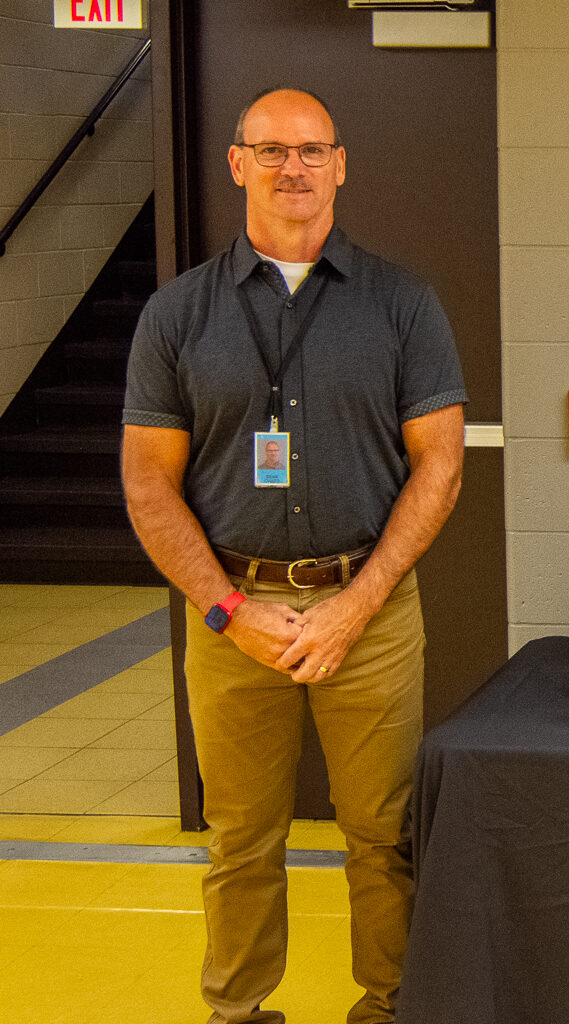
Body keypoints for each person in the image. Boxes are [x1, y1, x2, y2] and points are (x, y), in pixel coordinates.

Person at [121, 87, 465, 1024]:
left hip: (372, 611)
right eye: (270, 151)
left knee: (383, 835)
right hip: (233, 617)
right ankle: (238, 1011)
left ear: (341, 164)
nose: (293, 169)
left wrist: (360, 601)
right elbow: (150, 484)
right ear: (237, 164)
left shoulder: (403, 303)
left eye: (312, 151)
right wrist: (226, 609)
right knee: (240, 840)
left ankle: (390, 1006)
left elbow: (439, 462)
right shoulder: (178, 315)